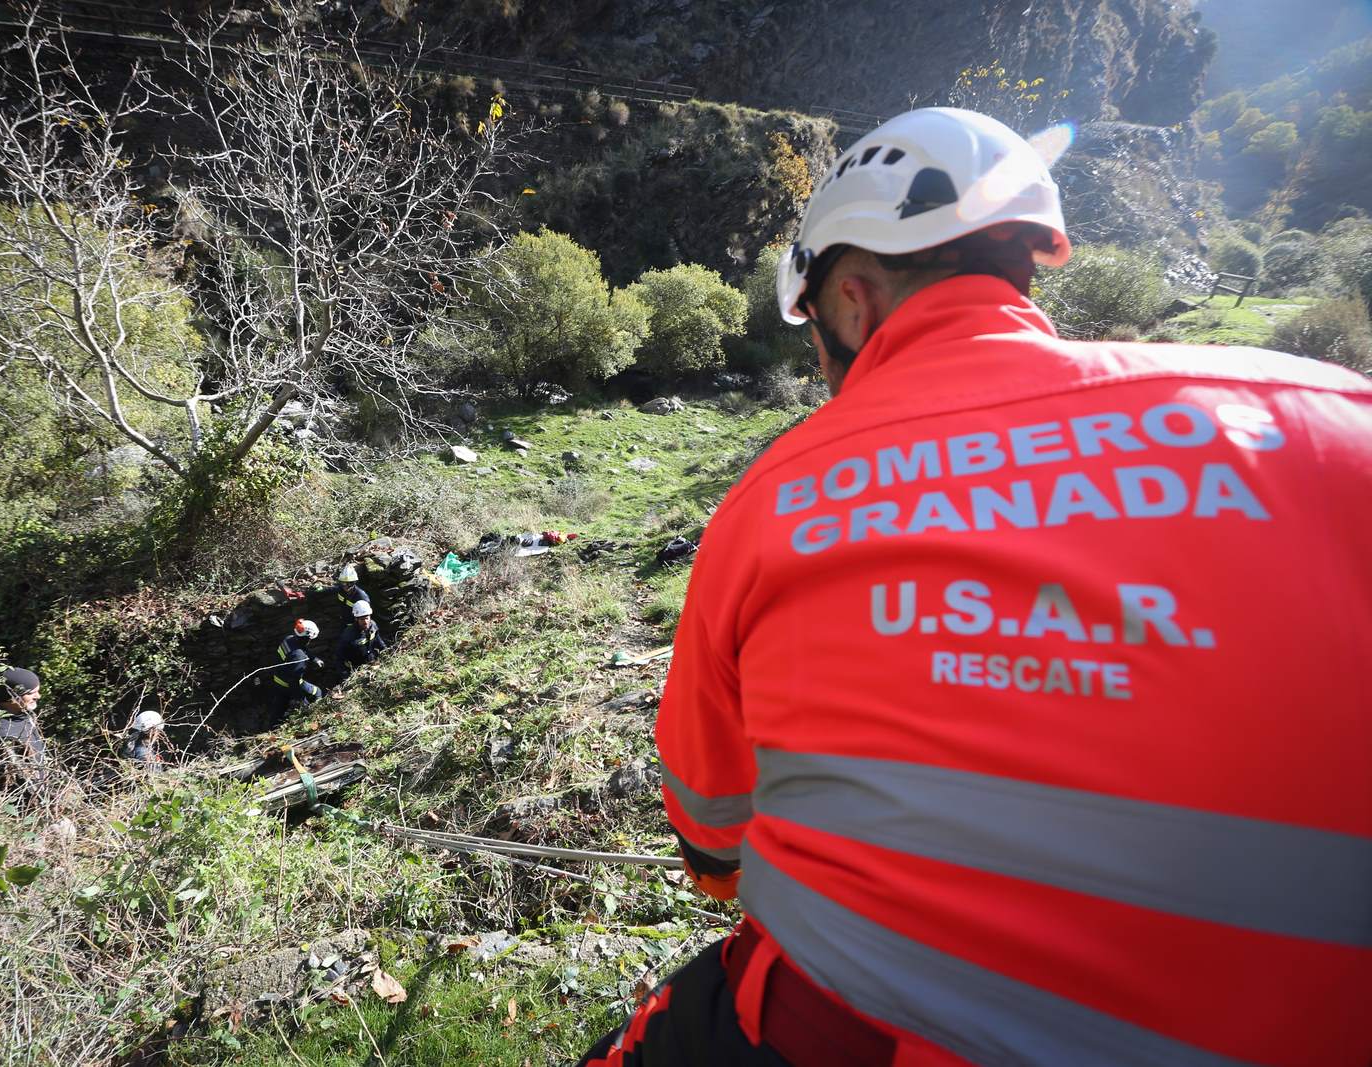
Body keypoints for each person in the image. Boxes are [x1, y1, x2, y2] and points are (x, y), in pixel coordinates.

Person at [579, 107, 1372, 1067]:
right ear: (1028, 261)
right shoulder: (1328, 421)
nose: (825, 368)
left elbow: (713, 837)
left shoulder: (773, 497)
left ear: (856, 303)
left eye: (819, 336)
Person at [0, 666, 50, 798]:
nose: (38, 696)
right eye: (31, 693)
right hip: (21, 807)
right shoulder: (4, 733)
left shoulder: (25, 716)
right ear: (12, 696)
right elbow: (20, 782)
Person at [269, 648, 325, 727]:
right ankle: (313, 718)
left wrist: (314, 659)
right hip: (290, 685)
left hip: (278, 680)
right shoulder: (299, 657)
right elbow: (294, 683)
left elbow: (300, 646)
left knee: (278, 710)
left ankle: (272, 728)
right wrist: (302, 701)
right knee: (318, 692)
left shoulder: (288, 641)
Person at [336, 598, 387, 668]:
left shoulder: (373, 625)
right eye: (362, 619)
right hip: (357, 667)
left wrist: (386, 651)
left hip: (372, 660)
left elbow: (379, 641)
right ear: (356, 619)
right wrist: (344, 673)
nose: (365, 622)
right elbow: (340, 656)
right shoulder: (348, 635)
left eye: (367, 618)